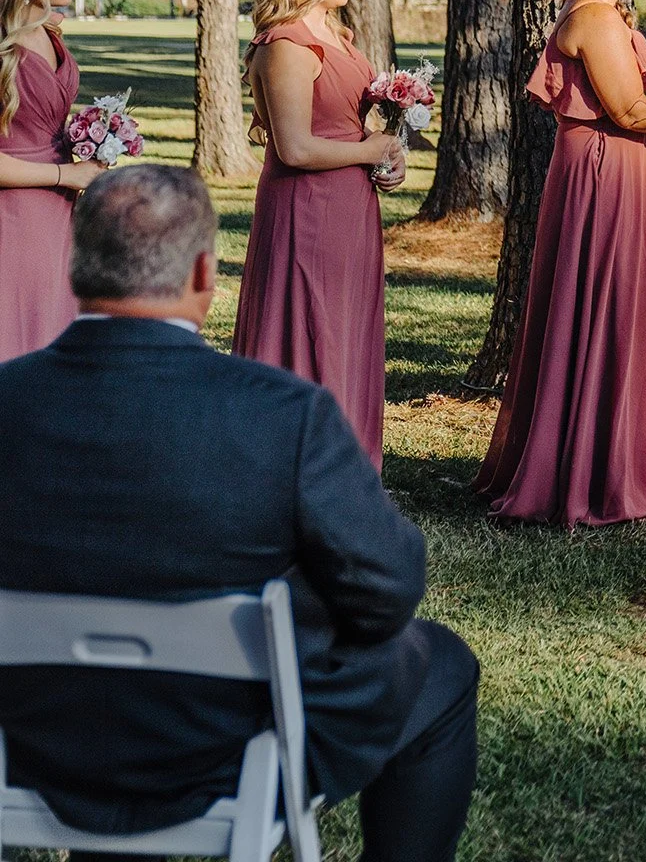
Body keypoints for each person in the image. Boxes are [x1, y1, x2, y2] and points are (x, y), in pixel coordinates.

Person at [0, 164, 479, 862]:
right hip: (222, 750)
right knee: (440, 665)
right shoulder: (283, 413)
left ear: (77, 268)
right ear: (203, 273)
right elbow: (386, 591)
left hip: (28, 737)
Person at [476, 0, 646, 527]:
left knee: (610, 305)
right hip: (607, 171)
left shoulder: (602, 12)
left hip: (616, 168)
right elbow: (628, 111)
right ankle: (590, 469)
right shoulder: (595, 17)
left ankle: (605, 454)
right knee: (607, 303)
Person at [233, 0, 404, 467]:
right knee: (308, 323)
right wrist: (368, 150)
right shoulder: (287, 46)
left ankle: (346, 459)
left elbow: (348, 130)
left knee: (346, 325)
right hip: (306, 210)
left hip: (350, 206)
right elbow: (296, 149)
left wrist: (385, 154)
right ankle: (294, 463)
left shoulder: (337, 35)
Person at [0, 0, 97, 362]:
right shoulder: (5, 50)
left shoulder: (49, 31)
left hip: (61, 209)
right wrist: (66, 173)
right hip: (15, 217)